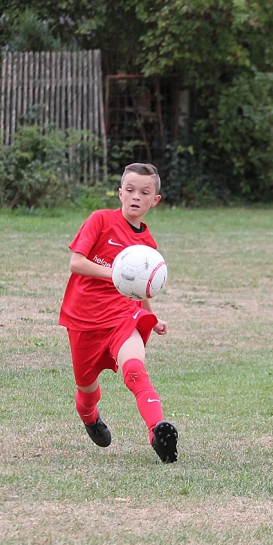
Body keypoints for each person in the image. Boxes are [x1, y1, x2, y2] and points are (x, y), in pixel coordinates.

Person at [59, 162, 178, 463]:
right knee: (86, 389)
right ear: (120, 193)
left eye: (145, 192)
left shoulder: (148, 244)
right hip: (84, 318)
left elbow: (141, 288)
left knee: (135, 368)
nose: (136, 196)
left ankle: (158, 432)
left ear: (155, 200)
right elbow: (76, 263)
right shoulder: (100, 220)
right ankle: (89, 416)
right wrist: (115, 273)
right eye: (130, 190)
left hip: (124, 315)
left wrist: (153, 316)